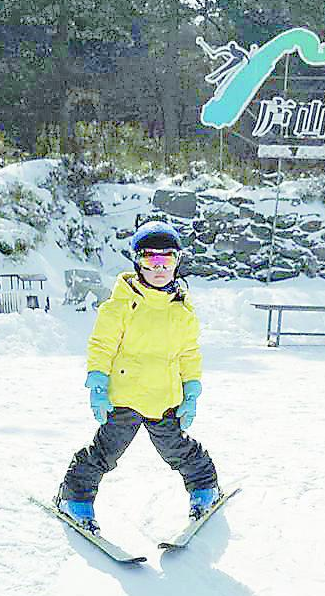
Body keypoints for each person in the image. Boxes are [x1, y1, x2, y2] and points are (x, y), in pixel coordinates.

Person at [54, 220, 221, 531]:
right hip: (125, 396)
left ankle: (204, 488)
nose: (159, 267)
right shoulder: (119, 306)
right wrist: (98, 382)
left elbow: (188, 353)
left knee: (178, 450)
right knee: (106, 451)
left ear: (178, 262)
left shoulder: (183, 311)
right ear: (138, 263)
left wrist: (192, 390)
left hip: (165, 397)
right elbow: (102, 345)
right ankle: (74, 497)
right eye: (150, 259)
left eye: (166, 259)